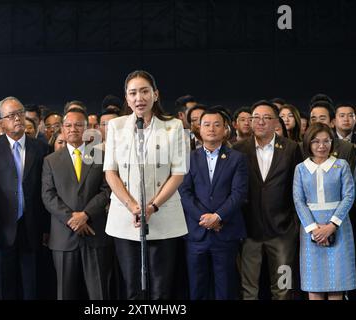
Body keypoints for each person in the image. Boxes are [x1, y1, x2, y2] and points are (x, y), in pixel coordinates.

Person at [104, 70, 188, 300]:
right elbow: (110, 172)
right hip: (126, 217)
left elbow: (178, 172)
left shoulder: (173, 126)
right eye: (133, 93)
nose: (139, 98)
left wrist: (152, 207)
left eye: (144, 91)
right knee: (132, 288)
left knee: (161, 289)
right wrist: (133, 206)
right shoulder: (116, 126)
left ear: (155, 94)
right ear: (127, 98)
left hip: (162, 215)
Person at [0, 96, 49, 299]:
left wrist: (46, 227)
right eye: (11, 115)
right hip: (1, 228)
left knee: (31, 285)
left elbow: (44, 191)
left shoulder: (41, 148)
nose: (18, 118)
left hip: (32, 226)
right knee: (5, 285)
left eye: (20, 113)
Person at [233, 100, 303, 300]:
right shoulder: (238, 149)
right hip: (248, 232)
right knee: (248, 290)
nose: (260, 122)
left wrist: (295, 225)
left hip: (283, 232)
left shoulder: (290, 148)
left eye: (266, 118)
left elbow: (298, 188)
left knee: (284, 288)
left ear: (276, 123)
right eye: (256, 118)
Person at [42, 108, 113, 299]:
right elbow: (48, 195)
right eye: (68, 125)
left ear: (87, 128)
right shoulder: (50, 160)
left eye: (78, 125)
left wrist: (86, 215)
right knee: (65, 293)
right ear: (63, 130)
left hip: (95, 231)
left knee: (100, 293)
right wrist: (72, 219)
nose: (73, 129)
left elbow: (107, 190)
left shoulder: (99, 155)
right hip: (64, 237)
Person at [179, 109, 248, 300]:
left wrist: (217, 217)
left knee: (226, 288)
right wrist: (204, 218)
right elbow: (184, 192)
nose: (211, 128)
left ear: (225, 130)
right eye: (206, 124)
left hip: (225, 232)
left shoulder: (237, 158)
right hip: (196, 232)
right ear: (198, 129)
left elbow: (239, 193)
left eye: (217, 124)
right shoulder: (189, 158)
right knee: (197, 288)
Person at [293, 122, 356, 299]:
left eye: (326, 141)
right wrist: (314, 229)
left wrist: (332, 226)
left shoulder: (341, 165)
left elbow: (349, 196)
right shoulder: (301, 169)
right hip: (310, 230)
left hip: (339, 227)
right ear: (308, 143)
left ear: (332, 142)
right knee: (314, 286)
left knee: (338, 286)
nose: (321, 146)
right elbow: (298, 201)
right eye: (315, 141)